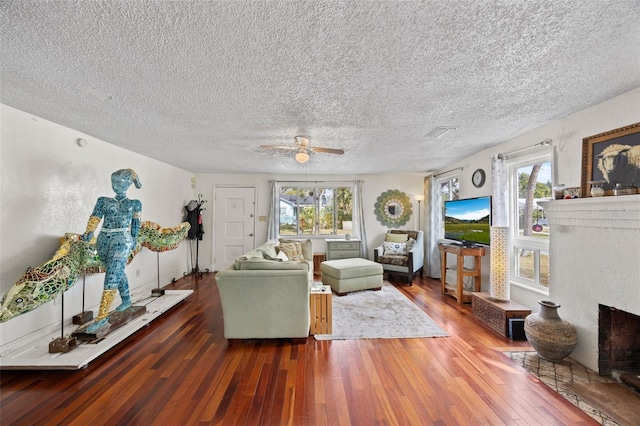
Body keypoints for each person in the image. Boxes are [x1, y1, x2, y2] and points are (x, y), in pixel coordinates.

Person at [82, 169, 142, 332]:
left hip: (122, 240)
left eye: (120, 183)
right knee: (115, 270)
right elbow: (95, 218)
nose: (116, 186)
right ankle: (127, 300)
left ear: (128, 184)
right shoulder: (103, 201)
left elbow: (136, 224)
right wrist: (89, 232)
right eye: (113, 183)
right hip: (103, 240)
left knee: (111, 276)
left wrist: (134, 240)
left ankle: (102, 317)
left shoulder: (134, 203)